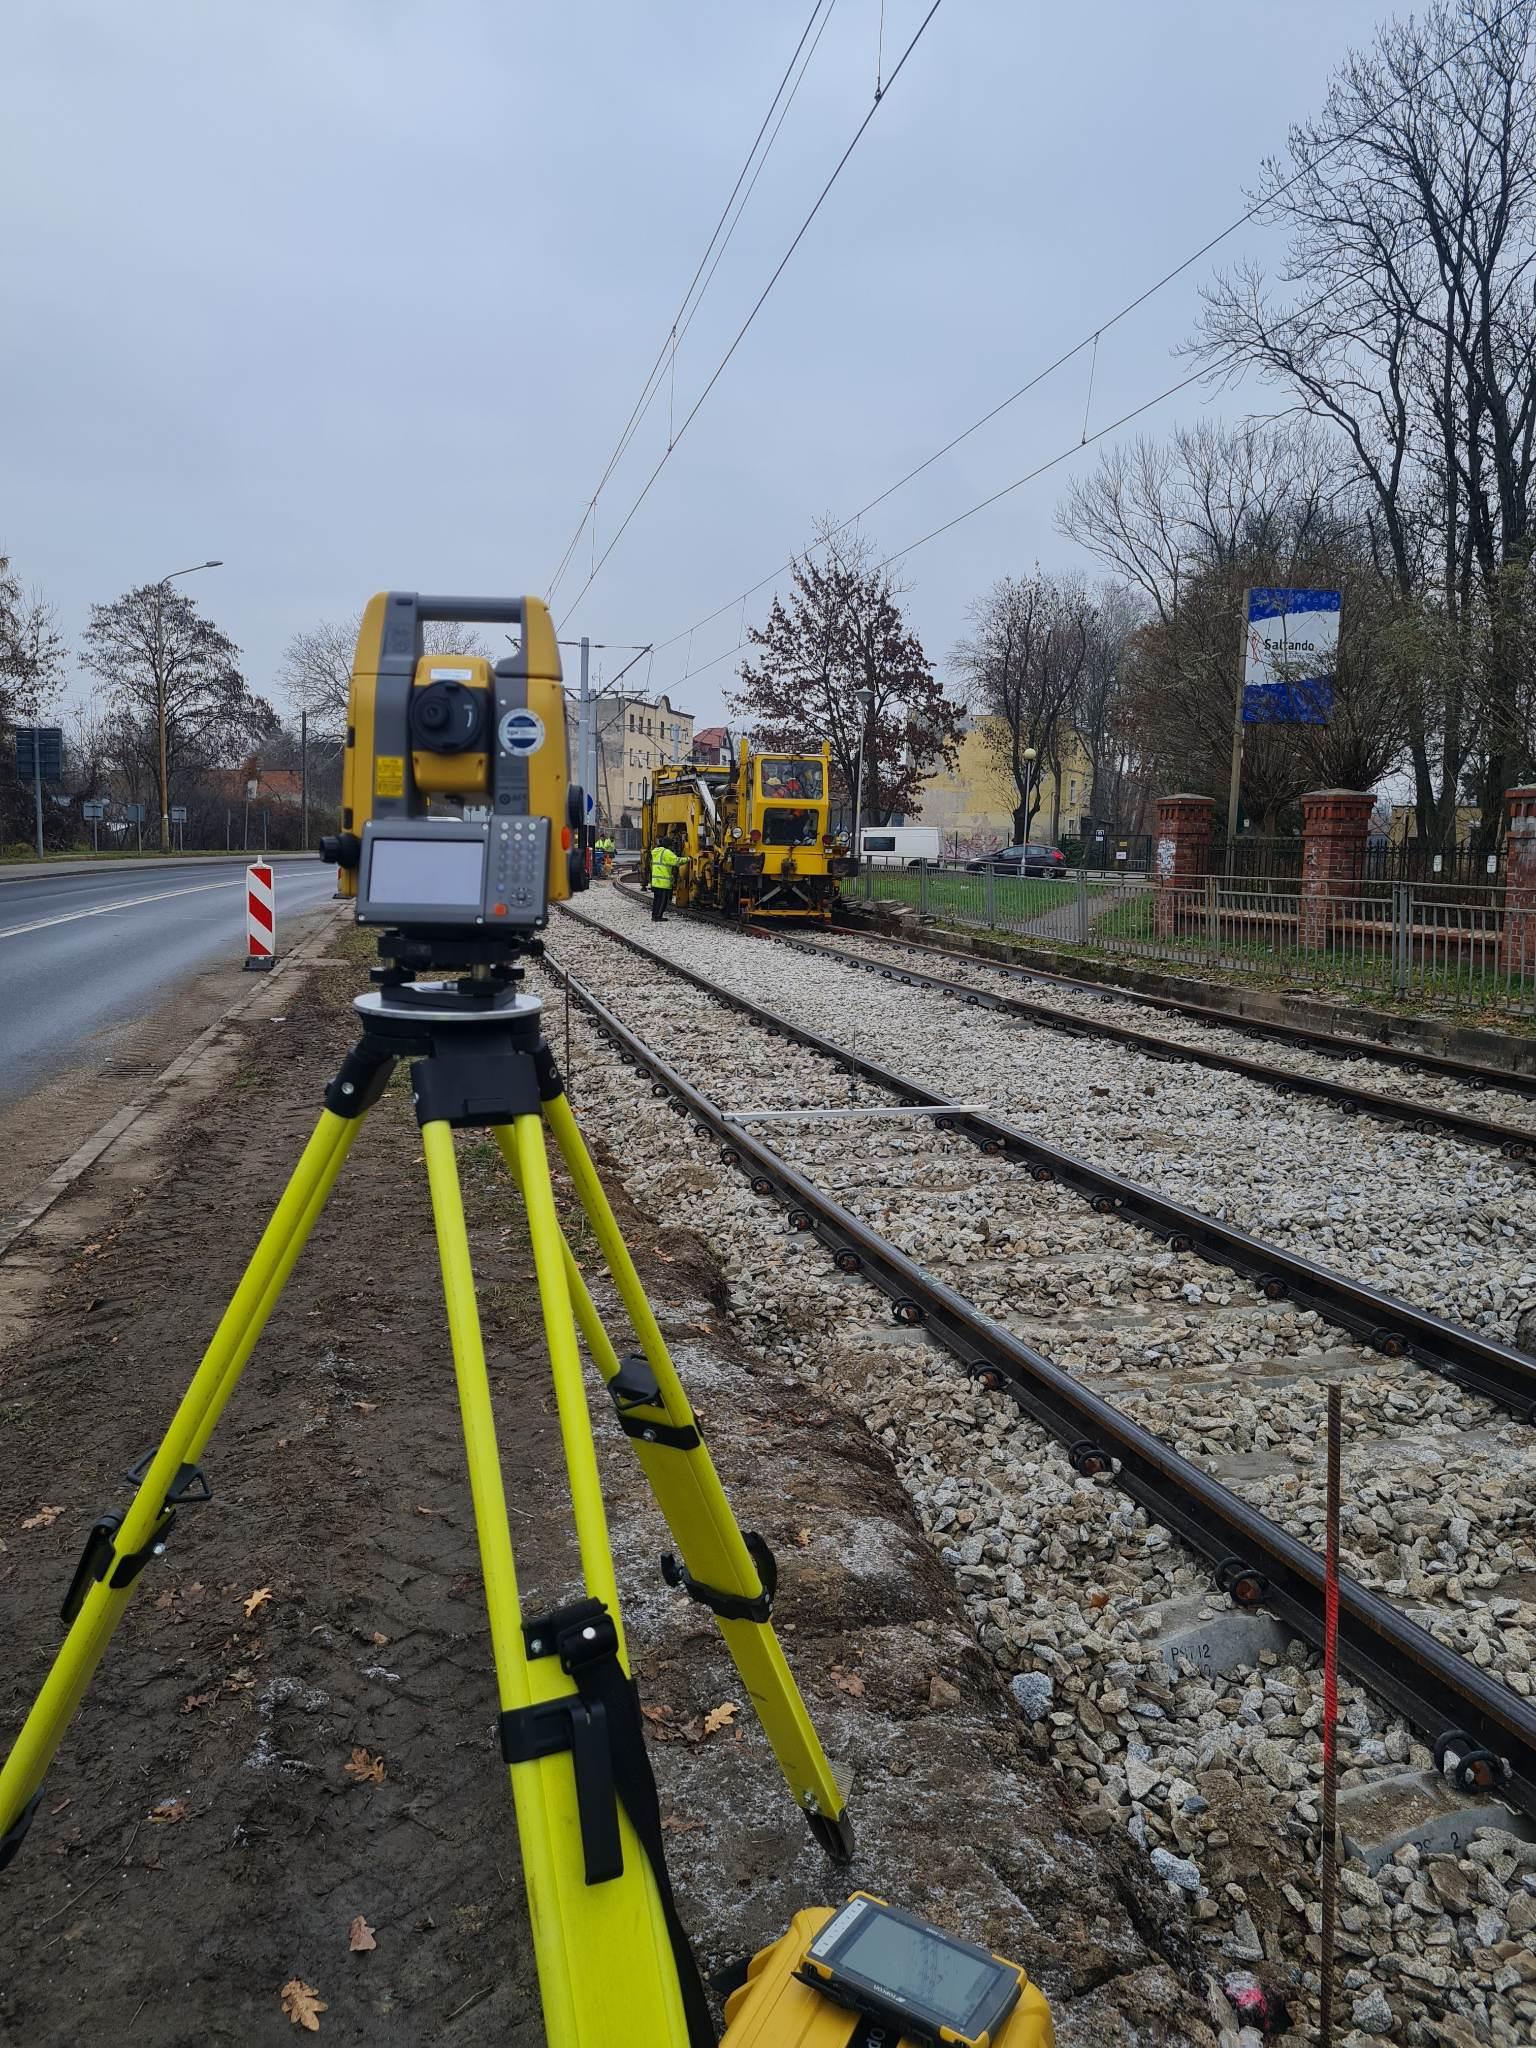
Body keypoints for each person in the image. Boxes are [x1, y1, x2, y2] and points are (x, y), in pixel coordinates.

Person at [649, 832, 685, 921]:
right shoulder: (666, 853)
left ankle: (654, 915)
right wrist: (688, 859)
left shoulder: (655, 852)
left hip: (655, 881)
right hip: (663, 883)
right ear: (668, 845)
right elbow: (676, 861)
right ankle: (658, 917)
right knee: (663, 901)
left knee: (656, 900)